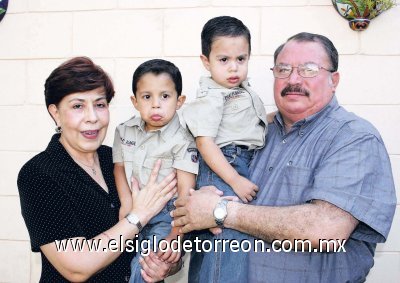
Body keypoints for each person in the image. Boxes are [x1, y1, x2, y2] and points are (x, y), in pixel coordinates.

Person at [172, 32, 397, 282]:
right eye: (283, 69)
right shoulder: (253, 135)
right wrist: (168, 256)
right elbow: (197, 212)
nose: (293, 79)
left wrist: (223, 212)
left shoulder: (353, 137)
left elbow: (326, 229)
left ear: (334, 80)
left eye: (309, 69)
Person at [17, 57, 181, 282]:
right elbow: (77, 266)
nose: (92, 118)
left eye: (100, 104)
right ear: (55, 113)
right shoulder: (39, 174)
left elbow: (164, 228)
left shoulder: (120, 160)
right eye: (77, 106)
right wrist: (138, 216)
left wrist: (167, 263)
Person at [182, 16, 267, 283]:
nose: (234, 67)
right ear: (206, 61)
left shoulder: (239, 90)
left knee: (236, 241)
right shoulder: (211, 98)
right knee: (226, 244)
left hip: (239, 162)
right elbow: (204, 143)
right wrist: (235, 180)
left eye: (241, 59)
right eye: (223, 60)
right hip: (224, 168)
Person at [112, 59, 198, 283]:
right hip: (134, 209)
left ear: (180, 101)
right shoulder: (124, 131)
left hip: (166, 217)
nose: (156, 105)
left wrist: (175, 235)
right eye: (147, 96)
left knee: (146, 266)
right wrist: (126, 202)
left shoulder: (184, 140)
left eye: (165, 96)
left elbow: (186, 193)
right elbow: (119, 166)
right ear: (135, 101)